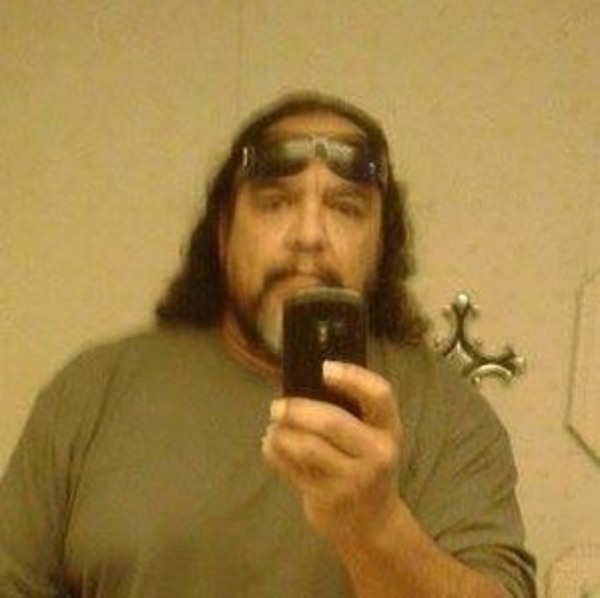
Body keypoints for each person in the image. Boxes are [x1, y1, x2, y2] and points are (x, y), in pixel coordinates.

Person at [0, 92, 536, 597]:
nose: (308, 234)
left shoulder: (448, 416)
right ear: (223, 233)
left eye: (346, 207)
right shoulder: (92, 390)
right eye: (276, 202)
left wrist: (376, 525)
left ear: (381, 246)